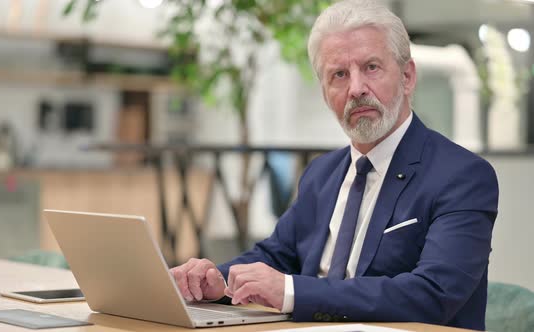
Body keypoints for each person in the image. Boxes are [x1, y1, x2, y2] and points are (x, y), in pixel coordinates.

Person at [170, 0, 499, 330]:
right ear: (325, 93)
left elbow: (432, 295)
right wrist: (216, 282)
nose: (356, 89)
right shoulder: (321, 174)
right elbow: (275, 255)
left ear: (407, 76)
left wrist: (292, 291)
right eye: (339, 74)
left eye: (371, 67)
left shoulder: (462, 176)